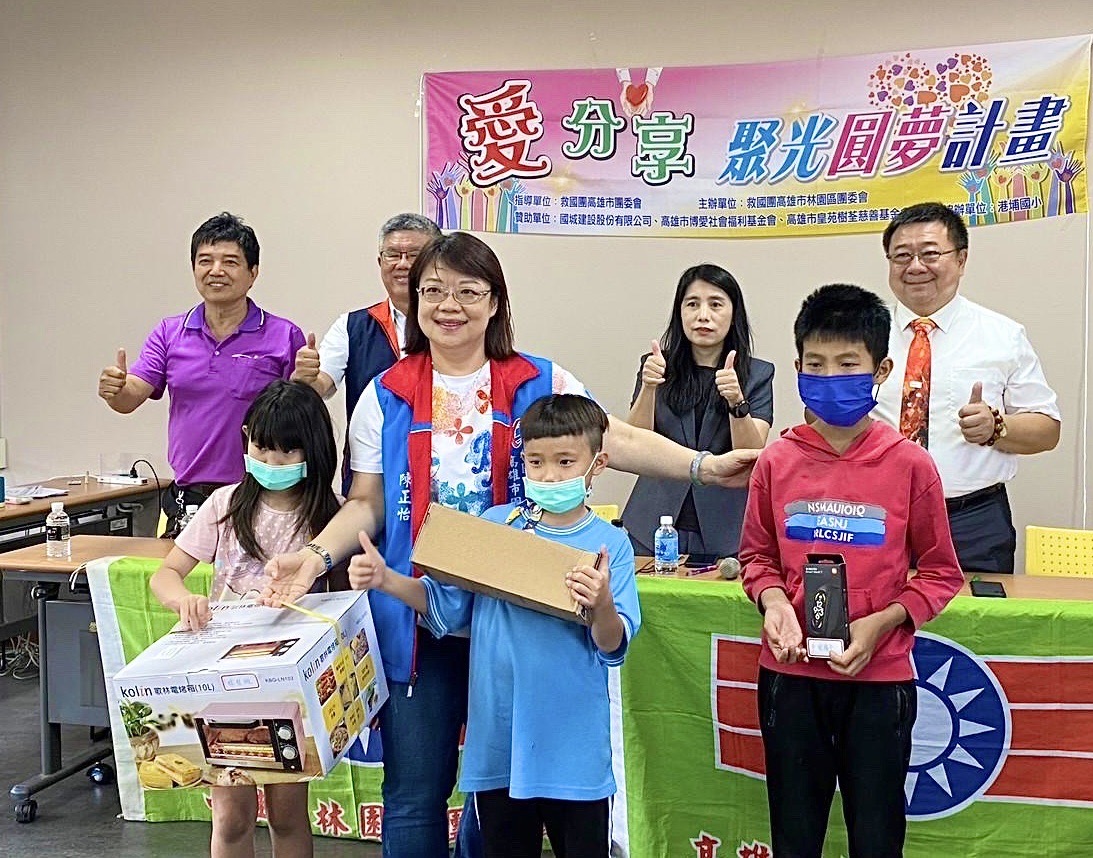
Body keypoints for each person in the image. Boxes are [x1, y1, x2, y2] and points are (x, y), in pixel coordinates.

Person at [258, 231, 758, 858]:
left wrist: (702, 467)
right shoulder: (384, 394)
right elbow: (366, 501)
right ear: (414, 300)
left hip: (520, 615)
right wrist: (314, 557)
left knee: (499, 787)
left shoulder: (539, 378)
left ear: (495, 301)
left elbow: (614, 438)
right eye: (433, 291)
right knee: (414, 792)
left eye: (468, 291)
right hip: (422, 613)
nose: (449, 305)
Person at [349, 393, 640, 858]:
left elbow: (612, 644)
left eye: (566, 462)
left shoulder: (611, 545)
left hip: (574, 753)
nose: (549, 475)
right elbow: (444, 606)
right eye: (536, 462)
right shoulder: (498, 525)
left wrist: (601, 603)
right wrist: (387, 579)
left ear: (597, 464)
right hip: (499, 746)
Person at [740, 284, 962, 858]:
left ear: (880, 370)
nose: (829, 377)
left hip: (879, 680)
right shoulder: (776, 461)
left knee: (877, 836)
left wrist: (883, 622)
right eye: (815, 364)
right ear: (797, 369)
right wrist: (775, 605)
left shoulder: (911, 465)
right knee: (795, 835)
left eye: (847, 364)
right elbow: (757, 559)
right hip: (790, 678)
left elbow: (940, 574)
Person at [149, 380, 342, 858]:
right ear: (246, 440)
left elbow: (344, 600)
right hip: (224, 683)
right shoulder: (225, 504)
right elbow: (166, 574)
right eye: (261, 448)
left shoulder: (330, 515)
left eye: (287, 452)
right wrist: (183, 600)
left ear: (313, 450)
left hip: (288, 684)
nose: (272, 462)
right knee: (231, 817)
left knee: (287, 814)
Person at [873, 202, 1060, 573]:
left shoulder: (1002, 335)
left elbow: (1047, 429)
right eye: (902, 256)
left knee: (976, 612)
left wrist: (997, 427)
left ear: (961, 259)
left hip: (971, 521)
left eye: (930, 254)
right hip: (876, 515)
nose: (915, 267)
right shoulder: (862, 333)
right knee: (870, 608)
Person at [97, 212, 305, 536]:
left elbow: (302, 412)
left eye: (230, 262)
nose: (216, 271)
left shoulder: (284, 335)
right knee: (176, 570)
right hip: (188, 498)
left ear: (253, 272)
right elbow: (129, 397)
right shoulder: (169, 332)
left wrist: (308, 380)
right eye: (205, 260)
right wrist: (116, 390)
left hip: (259, 495)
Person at [622, 263, 773, 559]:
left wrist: (736, 402)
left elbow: (750, 455)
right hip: (653, 520)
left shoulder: (757, 374)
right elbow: (635, 442)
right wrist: (649, 387)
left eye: (715, 304)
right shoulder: (656, 365)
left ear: (734, 313)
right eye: (692, 304)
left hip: (726, 528)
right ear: (680, 312)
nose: (703, 315)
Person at [291, 214, 442, 491]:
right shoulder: (352, 326)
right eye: (393, 255)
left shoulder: (457, 323)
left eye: (414, 255)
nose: (403, 264)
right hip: (370, 476)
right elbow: (321, 385)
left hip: (442, 472)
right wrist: (305, 379)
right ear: (380, 262)